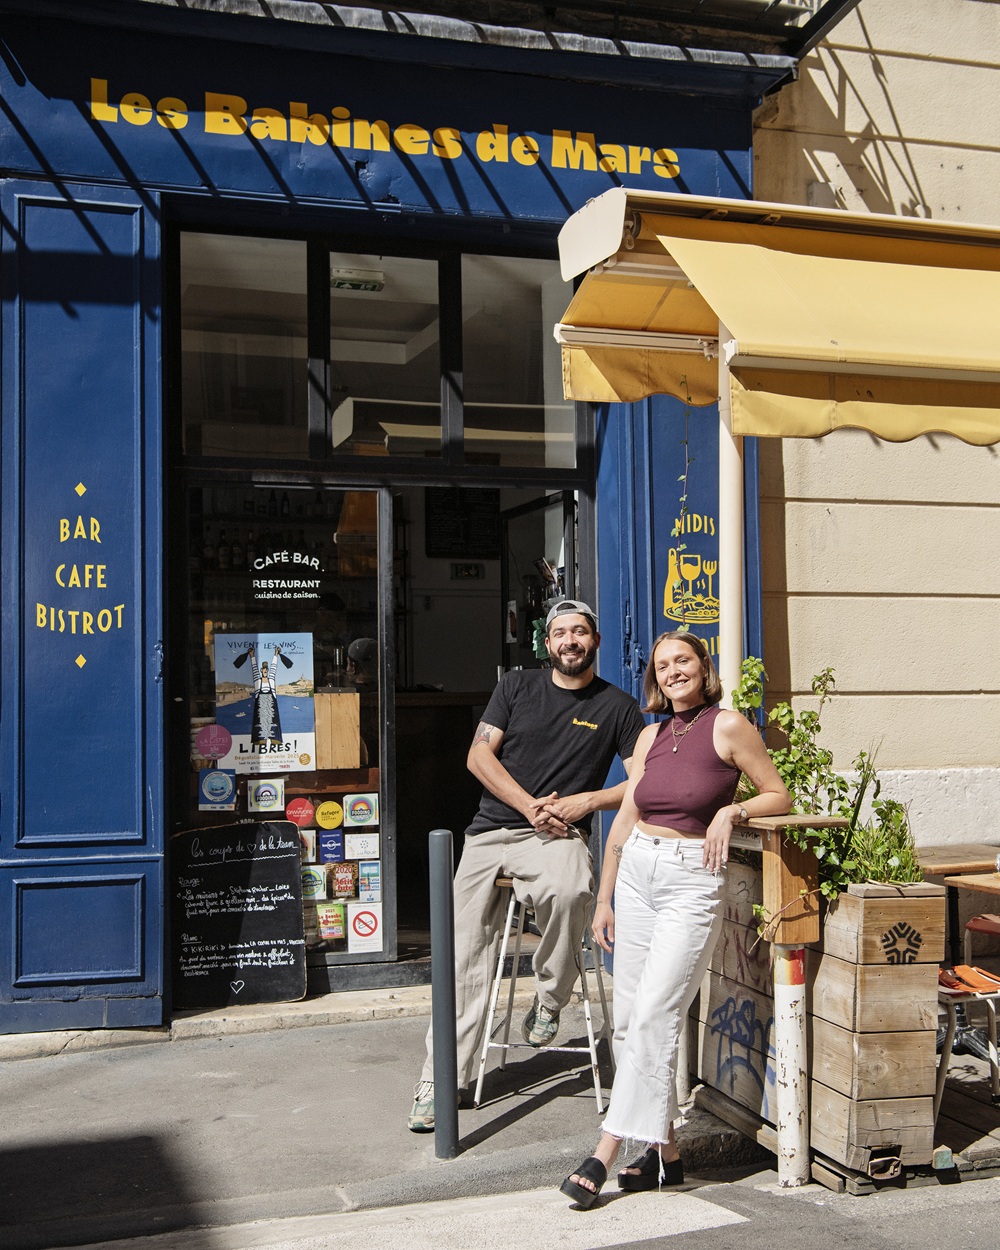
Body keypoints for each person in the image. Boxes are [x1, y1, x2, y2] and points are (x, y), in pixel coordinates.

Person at [559, 630, 791, 1207]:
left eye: (682, 660)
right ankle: (664, 1152)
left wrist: (731, 813)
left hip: (691, 877)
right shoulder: (650, 735)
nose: (672, 672)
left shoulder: (729, 726)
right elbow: (626, 818)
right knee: (630, 1017)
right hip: (638, 871)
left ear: (703, 667)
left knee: (656, 1014)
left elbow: (778, 794)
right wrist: (605, 897)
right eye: (662, 666)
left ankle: (607, 1148)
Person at [408, 600, 646, 1132]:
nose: (570, 640)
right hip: (491, 832)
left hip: (558, 834)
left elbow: (643, 782)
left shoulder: (618, 706)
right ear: (547, 642)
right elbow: (478, 756)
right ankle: (441, 1077)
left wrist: (587, 802)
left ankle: (550, 998)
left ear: (595, 641)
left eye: (579, 631)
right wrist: (529, 806)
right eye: (560, 632)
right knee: (462, 954)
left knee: (572, 889)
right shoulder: (515, 686)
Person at [248, 644, 283, 744]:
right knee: (260, 732)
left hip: (271, 710)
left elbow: (274, 669)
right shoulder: (257, 681)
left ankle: (274, 740)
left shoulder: (271, 680)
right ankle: (260, 741)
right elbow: (254, 669)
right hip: (261, 710)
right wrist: (252, 656)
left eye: (266, 669)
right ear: (261, 670)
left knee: (274, 730)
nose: (265, 671)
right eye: (263, 669)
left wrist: (276, 655)